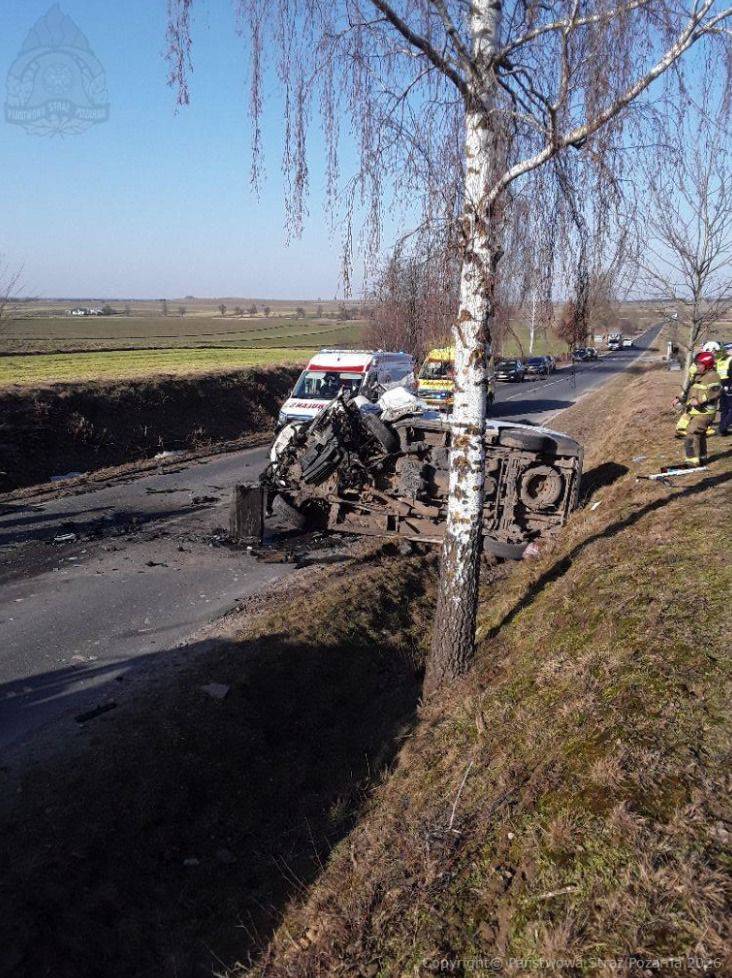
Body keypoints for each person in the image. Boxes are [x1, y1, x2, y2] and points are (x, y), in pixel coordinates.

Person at [674, 351, 721, 466]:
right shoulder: (699, 376)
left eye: (700, 364)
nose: (697, 366)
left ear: (707, 364)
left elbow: (716, 391)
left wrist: (700, 400)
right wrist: (680, 399)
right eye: (697, 364)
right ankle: (702, 458)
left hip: (705, 413)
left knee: (692, 431)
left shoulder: (713, 376)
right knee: (700, 434)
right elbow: (690, 391)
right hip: (695, 412)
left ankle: (692, 461)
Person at [716, 343, 732, 436]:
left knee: (725, 408)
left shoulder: (720, 360)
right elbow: (730, 373)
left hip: (721, 384)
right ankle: (723, 427)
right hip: (729, 383)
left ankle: (722, 430)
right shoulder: (731, 359)